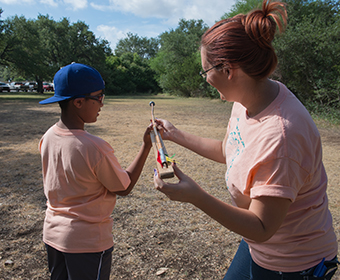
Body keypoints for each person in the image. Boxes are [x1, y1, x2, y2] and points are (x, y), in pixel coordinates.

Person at [153, 1, 339, 279]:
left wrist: (196, 197)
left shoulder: (281, 137)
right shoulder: (249, 99)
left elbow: (262, 227)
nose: (205, 78)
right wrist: (174, 134)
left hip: (294, 262)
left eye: (206, 71)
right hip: (259, 246)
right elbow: (228, 150)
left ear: (228, 70)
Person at [39, 63, 152, 280]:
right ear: (79, 102)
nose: (102, 103)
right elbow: (123, 186)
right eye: (99, 97)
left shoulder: (48, 136)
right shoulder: (93, 146)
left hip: (53, 235)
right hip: (87, 243)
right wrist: (146, 146)